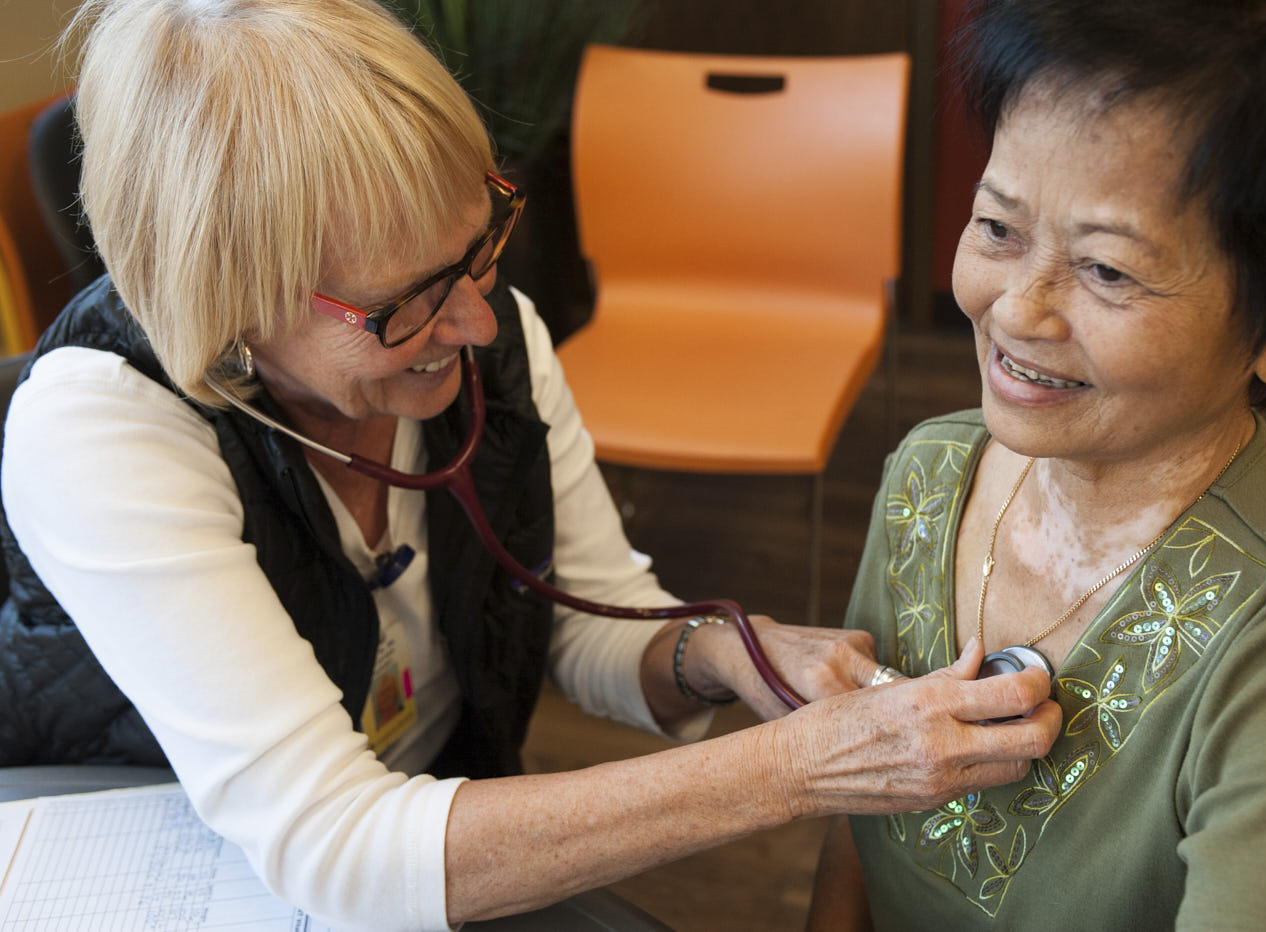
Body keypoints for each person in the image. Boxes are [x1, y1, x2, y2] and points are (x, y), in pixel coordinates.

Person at [0, 0, 1064, 928]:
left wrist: (727, 652)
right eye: (404, 301)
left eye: (478, 241)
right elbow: (333, 841)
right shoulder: (100, 432)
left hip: (428, 840)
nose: (474, 319)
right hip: (169, 860)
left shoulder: (484, 333)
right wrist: (795, 766)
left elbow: (581, 611)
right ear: (226, 301)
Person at [806, 0, 1266, 928]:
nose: (1016, 311)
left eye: (1108, 272)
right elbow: (855, 817)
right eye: (998, 228)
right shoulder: (930, 475)